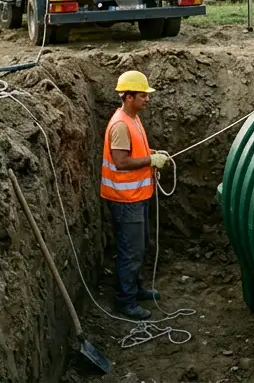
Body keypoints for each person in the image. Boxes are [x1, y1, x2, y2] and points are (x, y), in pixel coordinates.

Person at [102, 70, 171, 320]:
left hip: (137, 195)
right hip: (125, 199)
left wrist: (151, 153)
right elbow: (121, 161)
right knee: (130, 250)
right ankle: (125, 300)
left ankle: (136, 288)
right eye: (143, 95)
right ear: (128, 97)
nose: (147, 99)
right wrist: (150, 160)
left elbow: (134, 151)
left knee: (139, 246)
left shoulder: (133, 118)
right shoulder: (121, 124)